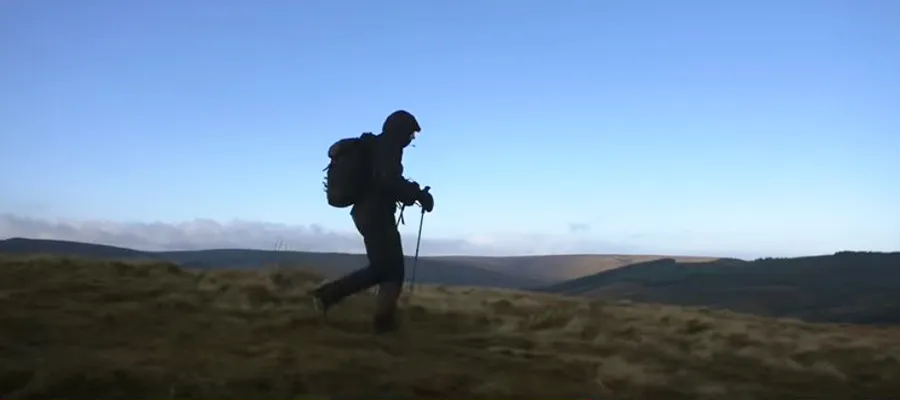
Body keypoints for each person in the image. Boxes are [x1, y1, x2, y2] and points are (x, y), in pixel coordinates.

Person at [311, 110, 435, 333]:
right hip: (375, 214)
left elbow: (384, 180)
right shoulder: (389, 147)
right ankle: (331, 298)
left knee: (387, 269)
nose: (411, 139)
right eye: (410, 134)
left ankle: (382, 322)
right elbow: (387, 179)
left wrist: (410, 192)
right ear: (400, 130)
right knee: (389, 270)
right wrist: (417, 194)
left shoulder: (379, 146)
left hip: (368, 213)